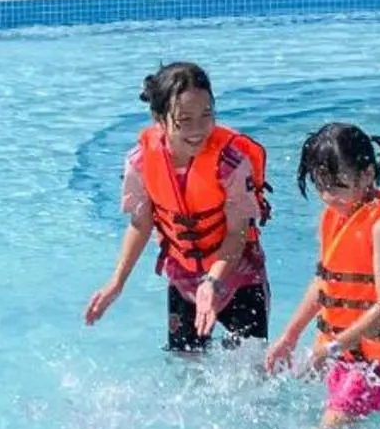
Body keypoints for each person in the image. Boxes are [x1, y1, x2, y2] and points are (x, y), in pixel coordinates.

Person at [83, 61, 270, 352]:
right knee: (186, 367)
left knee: (251, 370)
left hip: (239, 275)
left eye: (206, 115)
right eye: (184, 119)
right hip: (184, 277)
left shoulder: (230, 163)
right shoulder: (141, 162)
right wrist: (116, 282)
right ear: (159, 118)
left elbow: (237, 233)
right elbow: (140, 223)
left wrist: (212, 282)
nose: (198, 129)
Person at [263, 123, 380, 424]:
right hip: (348, 352)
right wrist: (290, 335)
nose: (327, 195)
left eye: (336, 185)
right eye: (320, 185)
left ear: (367, 175)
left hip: (378, 361)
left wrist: (332, 349)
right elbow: (324, 282)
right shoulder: (336, 217)